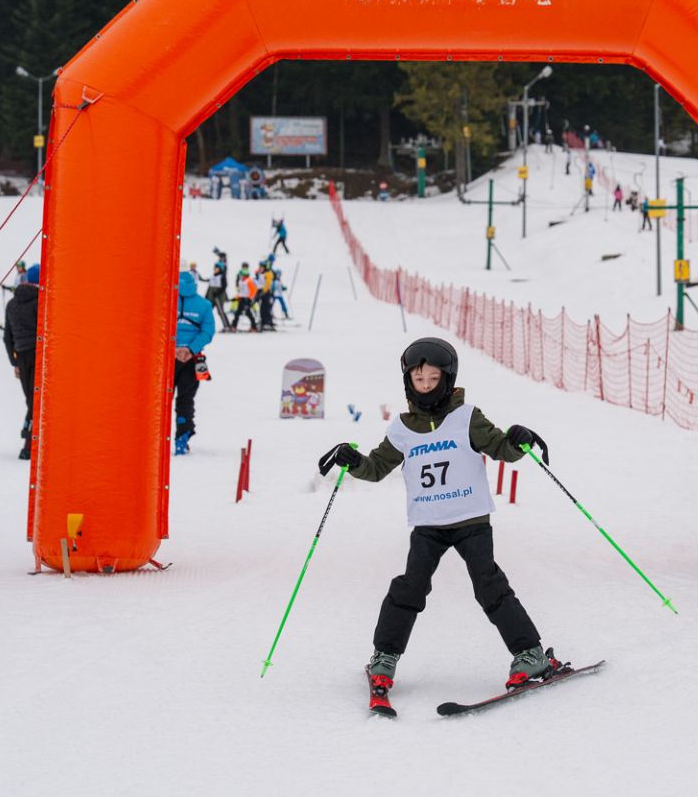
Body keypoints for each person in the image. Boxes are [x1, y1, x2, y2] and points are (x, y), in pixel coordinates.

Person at [317, 337, 559, 716]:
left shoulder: (467, 417)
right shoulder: (401, 429)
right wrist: (354, 460)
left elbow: (501, 449)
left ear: (447, 380)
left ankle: (530, 654)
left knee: (489, 585)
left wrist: (517, 441)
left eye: (433, 379)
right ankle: (384, 658)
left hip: (471, 520)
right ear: (409, 382)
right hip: (428, 525)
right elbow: (377, 468)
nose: (426, 386)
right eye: (419, 379)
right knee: (410, 588)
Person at [172, 270, 215, 455]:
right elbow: (207, 332)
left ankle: (156, 438)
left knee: (160, 401)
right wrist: (190, 350)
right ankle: (182, 437)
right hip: (193, 359)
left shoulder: (166, 301)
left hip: (167, 360)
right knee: (185, 399)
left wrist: (173, 348)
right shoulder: (204, 305)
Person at [4, 264, 40, 459]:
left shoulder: (12, 304)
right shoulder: (40, 302)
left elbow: (7, 338)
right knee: (35, 400)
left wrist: (15, 363)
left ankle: (31, 440)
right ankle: (29, 444)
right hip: (38, 355)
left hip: (21, 355)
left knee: (31, 399)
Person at [207, 248, 232, 331]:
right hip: (211, 296)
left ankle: (227, 326)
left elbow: (224, 286)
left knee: (220, 311)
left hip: (218, 296)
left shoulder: (222, 276)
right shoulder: (213, 276)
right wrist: (207, 296)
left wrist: (218, 293)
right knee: (207, 311)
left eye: (217, 268)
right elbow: (209, 287)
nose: (215, 269)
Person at [232, 262, 259, 331]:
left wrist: (249, 298)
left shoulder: (249, 281)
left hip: (246, 299)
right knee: (238, 313)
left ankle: (254, 327)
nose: (240, 276)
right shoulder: (242, 281)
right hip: (241, 298)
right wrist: (237, 297)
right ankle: (234, 326)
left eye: (242, 275)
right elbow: (241, 291)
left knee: (248, 313)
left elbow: (254, 290)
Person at [257, 258, 276, 332]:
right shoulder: (262, 274)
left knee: (265, 308)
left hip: (266, 293)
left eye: (261, 267)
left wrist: (264, 292)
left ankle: (267, 322)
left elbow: (267, 284)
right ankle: (264, 321)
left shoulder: (268, 274)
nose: (260, 268)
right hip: (262, 292)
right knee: (262, 308)